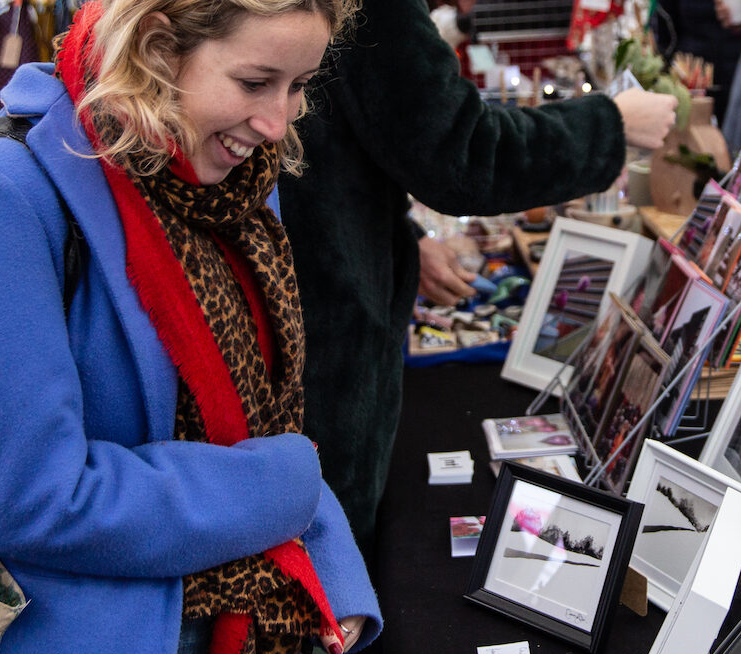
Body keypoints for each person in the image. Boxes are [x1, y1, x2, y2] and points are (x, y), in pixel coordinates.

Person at [0, 0, 380, 654]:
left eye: (297, 87)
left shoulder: (228, 186)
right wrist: (287, 486)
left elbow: (263, 419)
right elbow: (30, 498)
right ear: (155, 48)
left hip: (254, 629)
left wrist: (327, 561)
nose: (275, 123)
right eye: (255, 82)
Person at [277, 0, 677, 542]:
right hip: (320, 337)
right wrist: (611, 125)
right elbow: (461, 153)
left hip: (306, 299)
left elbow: (341, 145)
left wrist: (402, 237)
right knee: (325, 556)